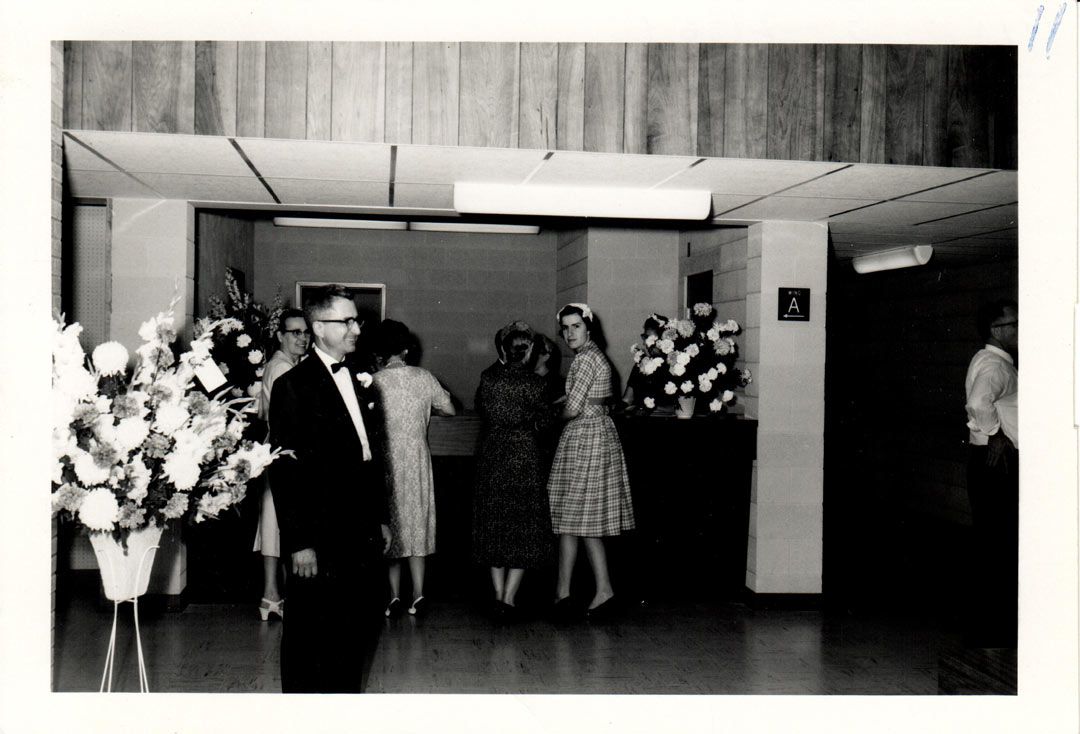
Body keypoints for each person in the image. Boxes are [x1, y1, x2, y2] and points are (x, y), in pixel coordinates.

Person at [268, 284, 391, 693]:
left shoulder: (362, 380)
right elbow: (284, 472)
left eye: (357, 320)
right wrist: (299, 541)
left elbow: (370, 458)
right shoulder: (293, 386)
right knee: (309, 635)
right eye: (348, 321)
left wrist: (380, 518)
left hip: (359, 529)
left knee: (352, 629)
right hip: (317, 534)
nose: (357, 328)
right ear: (319, 328)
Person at [547, 303, 635, 621]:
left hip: (586, 438)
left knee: (579, 520)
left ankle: (593, 591)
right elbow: (584, 398)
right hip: (593, 433)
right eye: (565, 328)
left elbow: (572, 409)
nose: (569, 333)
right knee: (577, 521)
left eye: (576, 327)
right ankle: (570, 592)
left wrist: (549, 416)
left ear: (588, 328)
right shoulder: (593, 356)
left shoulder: (585, 359)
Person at [371, 319, 455, 618]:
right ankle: (418, 593)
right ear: (406, 349)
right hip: (417, 457)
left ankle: (393, 595)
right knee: (417, 521)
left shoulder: (374, 381)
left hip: (387, 459)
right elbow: (450, 408)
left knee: (391, 523)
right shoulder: (423, 377)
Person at [472, 322, 555, 619]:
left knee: (494, 524)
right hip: (524, 457)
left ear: (505, 350)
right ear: (530, 350)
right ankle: (509, 597)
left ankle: (496, 595)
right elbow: (546, 423)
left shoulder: (488, 378)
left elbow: (480, 408)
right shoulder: (536, 384)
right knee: (524, 527)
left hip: (493, 455)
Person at [963, 298, 1019, 647]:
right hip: (996, 463)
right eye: (1013, 323)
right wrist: (996, 434)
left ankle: (989, 624)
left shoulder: (985, 359)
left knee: (991, 540)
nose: (1018, 329)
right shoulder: (996, 367)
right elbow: (978, 403)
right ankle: (996, 628)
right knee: (1000, 542)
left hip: (983, 461)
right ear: (995, 330)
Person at [253, 308, 309, 621]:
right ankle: (271, 595)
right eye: (294, 333)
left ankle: (276, 595)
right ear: (280, 336)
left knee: (277, 525)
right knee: (275, 525)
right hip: (280, 454)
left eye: (305, 332)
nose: (301, 338)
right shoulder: (281, 368)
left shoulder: (290, 365)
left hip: (280, 451)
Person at [621, 313, 669, 411]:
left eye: (651, 339)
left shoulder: (675, 368)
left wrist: (647, 408)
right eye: (645, 337)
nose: (645, 343)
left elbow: (681, 408)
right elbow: (627, 399)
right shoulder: (640, 364)